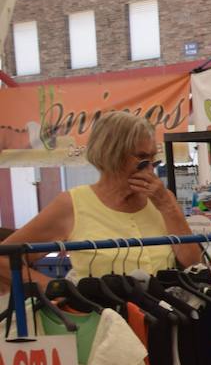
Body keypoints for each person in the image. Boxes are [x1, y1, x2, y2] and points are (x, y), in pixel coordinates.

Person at [0, 112, 199, 292]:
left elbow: (193, 264)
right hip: (104, 322)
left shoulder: (162, 200)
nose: (150, 168)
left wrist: (168, 206)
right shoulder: (73, 204)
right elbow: (4, 258)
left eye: (154, 159)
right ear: (111, 154)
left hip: (167, 316)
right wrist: (56, 289)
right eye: (142, 157)